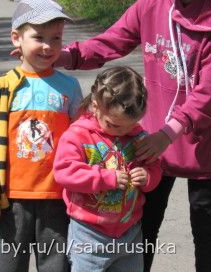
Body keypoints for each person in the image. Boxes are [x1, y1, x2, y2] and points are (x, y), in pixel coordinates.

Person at [53, 0, 211, 271]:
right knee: (146, 221)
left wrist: (168, 134)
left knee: (205, 220)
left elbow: (209, 94)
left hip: (197, 138)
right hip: (150, 138)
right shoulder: (153, 3)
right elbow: (111, 41)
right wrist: (67, 56)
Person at [0, 0, 83, 272]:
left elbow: (82, 140)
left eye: (56, 38)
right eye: (39, 37)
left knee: (56, 266)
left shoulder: (69, 87)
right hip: (12, 202)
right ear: (17, 39)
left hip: (57, 198)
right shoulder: (0, 88)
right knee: (10, 267)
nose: (48, 46)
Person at [53, 66, 162, 272]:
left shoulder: (136, 135)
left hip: (129, 230)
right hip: (89, 232)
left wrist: (148, 177)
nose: (126, 131)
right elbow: (64, 172)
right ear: (95, 106)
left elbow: (154, 166)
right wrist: (105, 178)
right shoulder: (78, 135)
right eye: (115, 125)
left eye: (131, 125)